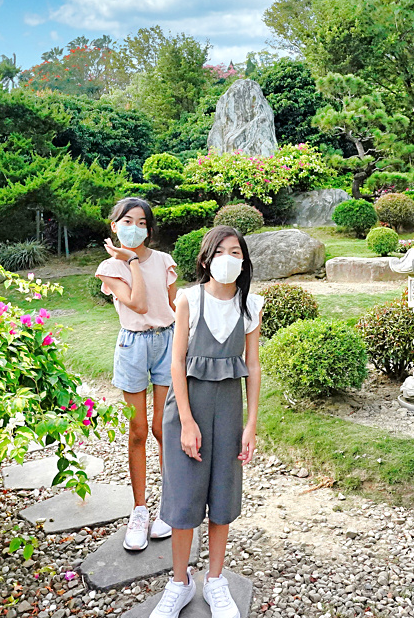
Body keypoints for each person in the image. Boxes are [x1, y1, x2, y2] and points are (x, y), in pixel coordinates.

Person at [150, 226, 262, 618]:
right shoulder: (188, 300)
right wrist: (186, 421)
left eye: (236, 252)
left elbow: (253, 365)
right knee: (183, 499)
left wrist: (250, 425)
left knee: (223, 497)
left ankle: (215, 581)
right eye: (220, 252)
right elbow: (176, 363)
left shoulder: (251, 306)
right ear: (205, 259)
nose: (228, 258)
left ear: (244, 260)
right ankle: (179, 583)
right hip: (188, 409)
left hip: (229, 412)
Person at [95, 197, 178, 551]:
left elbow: (172, 307)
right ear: (114, 225)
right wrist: (129, 260)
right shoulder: (109, 268)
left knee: (164, 427)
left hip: (167, 342)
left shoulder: (163, 261)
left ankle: (170, 507)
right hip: (133, 345)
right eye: (128, 220)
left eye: (143, 223)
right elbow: (139, 305)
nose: (136, 227)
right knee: (139, 430)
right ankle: (139, 510)